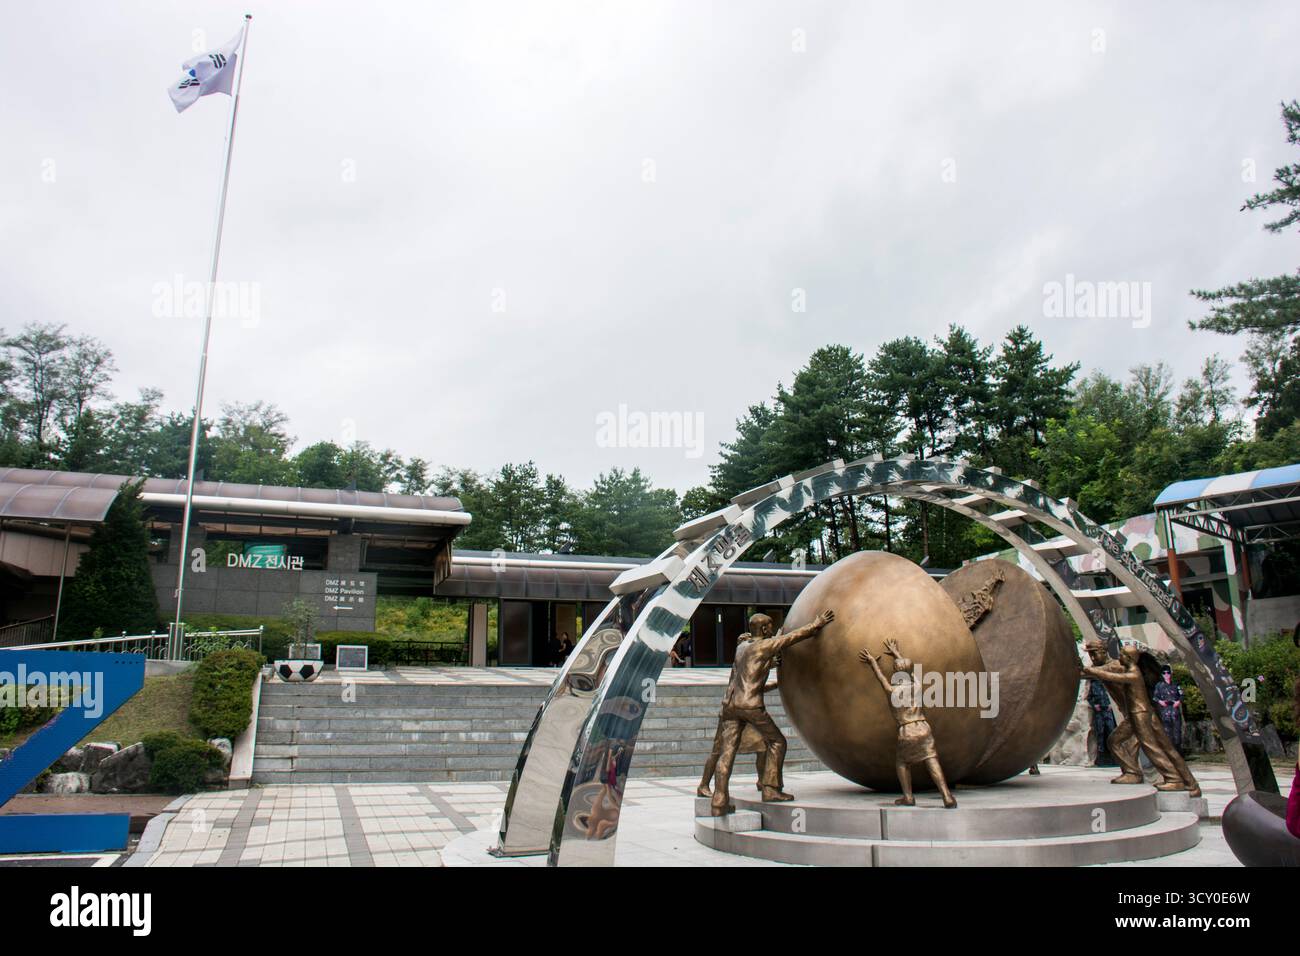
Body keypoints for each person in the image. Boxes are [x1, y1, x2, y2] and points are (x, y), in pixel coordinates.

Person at [707, 609, 834, 816]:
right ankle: (771, 789)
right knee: (777, 742)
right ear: (765, 628)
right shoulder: (764, 646)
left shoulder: (741, 647)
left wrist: (769, 670)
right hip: (750, 705)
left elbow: (749, 672)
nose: (772, 629)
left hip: (731, 705)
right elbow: (792, 638)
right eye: (770, 626)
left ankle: (719, 801)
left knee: (727, 753)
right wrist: (816, 624)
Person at [860, 637, 958, 808]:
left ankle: (908, 797)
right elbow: (911, 671)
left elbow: (880, 677)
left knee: (902, 763)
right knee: (931, 760)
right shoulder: (917, 686)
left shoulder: (892, 690)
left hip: (907, 731)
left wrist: (872, 662)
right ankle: (946, 795)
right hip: (924, 727)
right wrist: (897, 653)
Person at [1151, 665, 1185, 752]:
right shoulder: (1159, 685)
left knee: (1177, 732)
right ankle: (1171, 752)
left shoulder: (1176, 684)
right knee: (1168, 733)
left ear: (1170, 673)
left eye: (1168, 672)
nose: (1166, 674)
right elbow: (1155, 697)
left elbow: (1182, 695)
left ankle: (1179, 752)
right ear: (1162, 674)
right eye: (1164, 673)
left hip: (1175, 711)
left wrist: (1178, 702)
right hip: (1165, 712)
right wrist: (1160, 702)